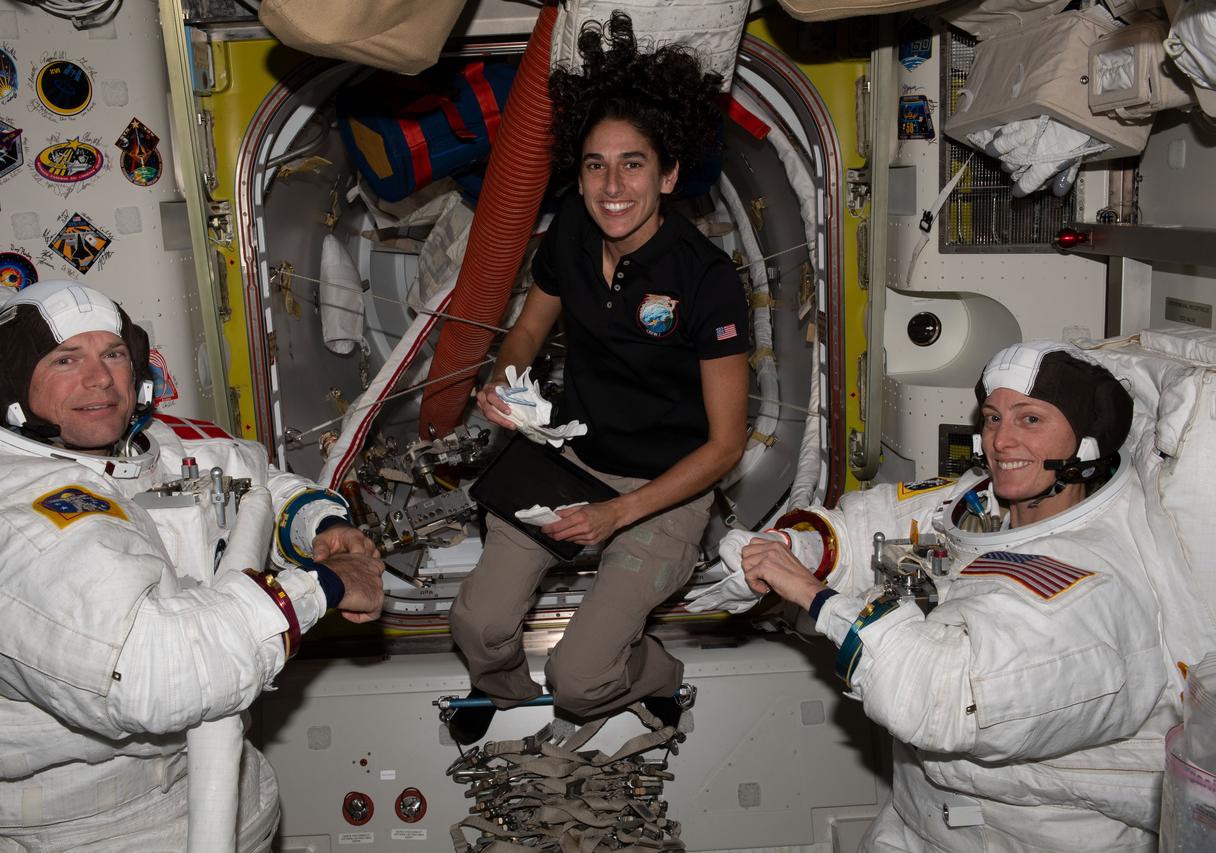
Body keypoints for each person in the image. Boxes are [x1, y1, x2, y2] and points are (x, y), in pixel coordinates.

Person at [0, 280, 385, 851]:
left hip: (223, 799)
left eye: (114, 355)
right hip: (82, 829)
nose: (100, 379)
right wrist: (323, 585)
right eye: (65, 360)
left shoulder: (137, 443)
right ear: (9, 380)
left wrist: (319, 528)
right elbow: (161, 671)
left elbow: (247, 480)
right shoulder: (7, 527)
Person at [730, 341, 1186, 851]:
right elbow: (873, 528)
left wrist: (813, 594)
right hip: (920, 819)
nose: (1001, 440)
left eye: (1030, 420)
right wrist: (798, 545)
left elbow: (942, 695)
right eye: (992, 418)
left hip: (1028, 838)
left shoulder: (1086, 587)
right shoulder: (978, 503)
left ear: (1087, 440)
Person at [446, 12, 749, 743]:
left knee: (580, 684)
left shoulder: (706, 280)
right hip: (573, 457)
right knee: (477, 624)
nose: (611, 185)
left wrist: (620, 515)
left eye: (633, 163)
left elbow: (726, 446)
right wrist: (508, 387)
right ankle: (510, 696)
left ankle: (653, 674)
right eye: (593, 164)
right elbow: (526, 329)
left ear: (669, 173)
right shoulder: (576, 232)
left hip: (666, 486)